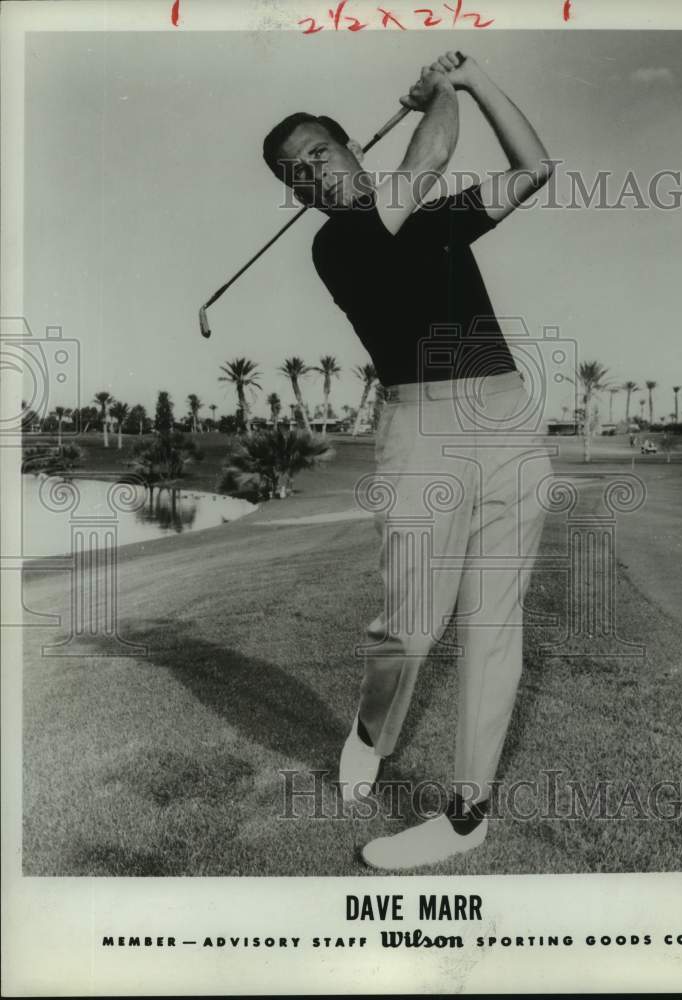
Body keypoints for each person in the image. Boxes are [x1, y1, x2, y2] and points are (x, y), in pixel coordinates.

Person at [263, 52, 554, 870]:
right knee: (413, 630)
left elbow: (533, 168)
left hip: (507, 420)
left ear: (352, 146)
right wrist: (439, 93)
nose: (310, 175)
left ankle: (467, 814)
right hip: (420, 433)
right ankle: (371, 730)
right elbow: (428, 155)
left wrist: (479, 80)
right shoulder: (338, 246)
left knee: (496, 623)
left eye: (318, 152)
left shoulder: (433, 218)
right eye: (295, 174)